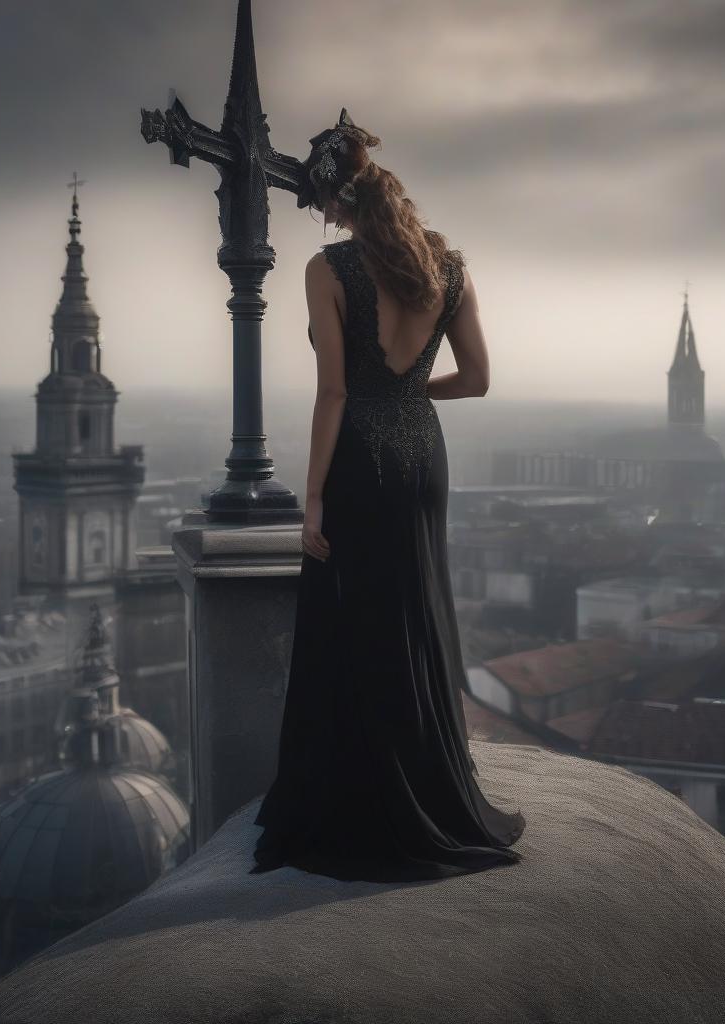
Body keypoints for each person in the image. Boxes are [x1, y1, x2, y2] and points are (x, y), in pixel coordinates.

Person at [249, 109, 526, 882]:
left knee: (356, 620)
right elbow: (475, 380)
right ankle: (435, 787)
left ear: (340, 201)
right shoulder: (451, 268)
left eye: (321, 203)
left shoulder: (328, 271)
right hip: (421, 455)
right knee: (416, 608)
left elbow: (334, 392)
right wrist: (406, 395)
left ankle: (360, 801)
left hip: (359, 458)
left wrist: (310, 500)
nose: (322, 216)